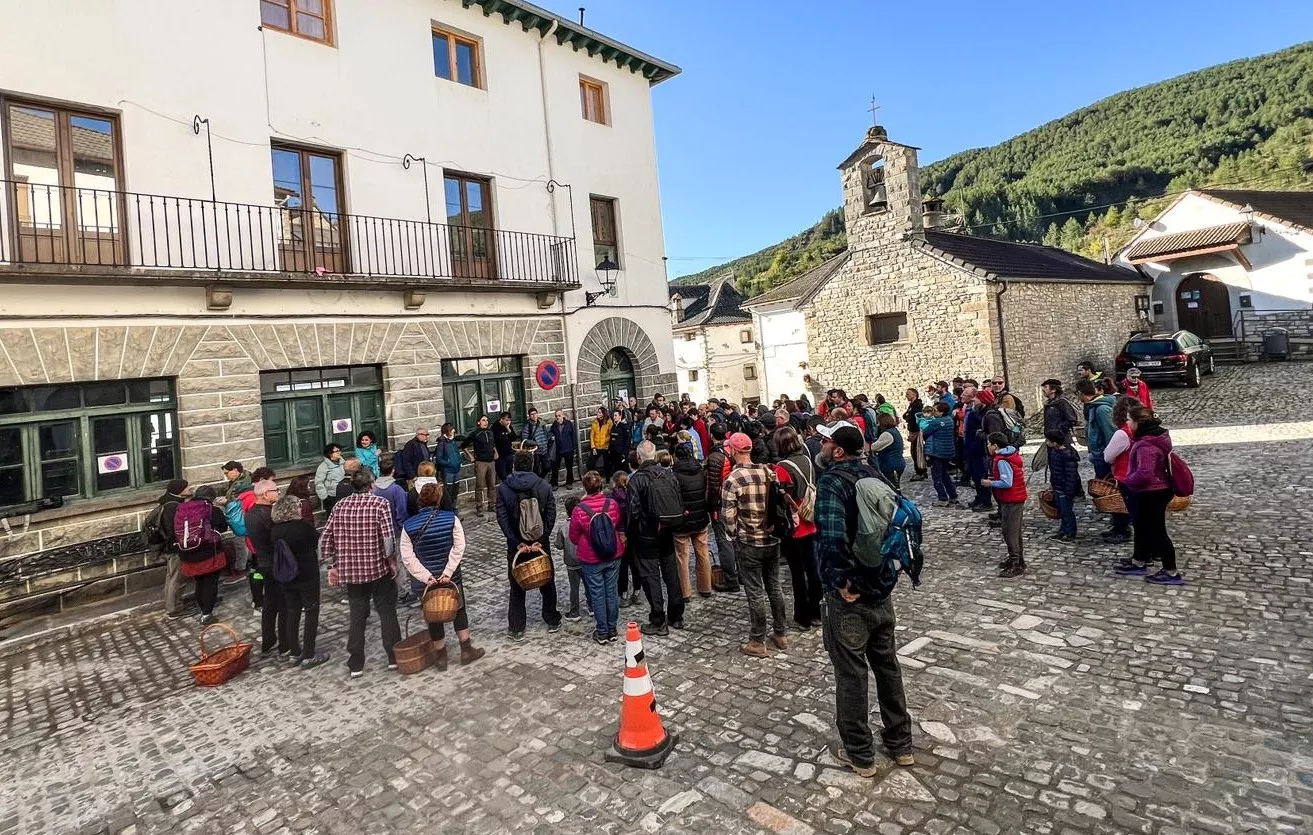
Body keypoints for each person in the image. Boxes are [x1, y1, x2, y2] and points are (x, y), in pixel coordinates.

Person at [813, 423, 915, 774]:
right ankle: (901, 743)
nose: (822, 444)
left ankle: (860, 753)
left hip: (851, 594)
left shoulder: (832, 482)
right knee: (887, 666)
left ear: (838, 450)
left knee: (851, 673)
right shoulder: (875, 474)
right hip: (880, 585)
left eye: (827, 441)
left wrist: (842, 582)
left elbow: (832, 536)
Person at [320, 468, 402, 677]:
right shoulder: (379, 504)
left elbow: (326, 538)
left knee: (357, 616)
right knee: (387, 611)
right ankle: (393, 656)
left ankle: (356, 662)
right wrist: (392, 562)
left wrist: (332, 565)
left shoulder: (340, 506)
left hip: (352, 571)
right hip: (377, 568)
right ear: (371, 484)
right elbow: (388, 539)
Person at [399, 483, 486, 668]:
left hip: (426, 582)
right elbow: (459, 546)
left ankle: (441, 657)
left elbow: (407, 557)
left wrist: (426, 577)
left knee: (432, 614)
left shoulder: (408, 526)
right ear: (438, 499)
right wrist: (448, 572)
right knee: (459, 609)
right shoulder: (451, 519)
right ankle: (466, 649)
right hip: (450, 577)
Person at [721, 432, 786, 657]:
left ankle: (758, 640)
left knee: (755, 591)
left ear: (733, 451)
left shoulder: (733, 479)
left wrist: (733, 535)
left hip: (749, 541)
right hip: (772, 538)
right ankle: (780, 633)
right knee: (774, 586)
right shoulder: (768, 472)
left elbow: (727, 516)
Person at [496, 449, 561, 639]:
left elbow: (502, 518)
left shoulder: (504, 488)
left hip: (516, 544)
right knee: (547, 580)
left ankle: (516, 626)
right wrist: (542, 538)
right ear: (532, 464)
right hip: (540, 541)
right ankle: (552, 619)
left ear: (514, 465)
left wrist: (515, 541)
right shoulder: (543, 486)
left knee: (516, 585)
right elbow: (551, 513)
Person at [1113, 408, 1183, 585]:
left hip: (1153, 492)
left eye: (1129, 420)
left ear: (1138, 423)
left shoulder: (1146, 445)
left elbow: (1145, 473)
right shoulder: (1156, 438)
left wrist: (1127, 481)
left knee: (1157, 531)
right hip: (1154, 490)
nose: (1127, 423)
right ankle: (1139, 560)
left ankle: (1171, 571)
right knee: (1142, 526)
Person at [626, 441, 685, 635]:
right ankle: (676, 615)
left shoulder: (636, 480)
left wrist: (631, 535)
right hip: (666, 529)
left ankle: (658, 619)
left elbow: (633, 512)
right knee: (671, 574)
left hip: (646, 535)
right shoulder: (668, 474)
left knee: (651, 577)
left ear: (639, 458)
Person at [269, 493, 330, 668]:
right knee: (311, 611)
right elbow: (316, 542)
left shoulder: (275, 530)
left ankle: (294, 651)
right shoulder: (302, 527)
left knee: (292, 611)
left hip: (286, 575)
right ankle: (309, 654)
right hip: (306, 574)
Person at [160, 482, 229, 625]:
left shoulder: (180, 508)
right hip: (209, 552)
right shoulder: (211, 509)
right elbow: (222, 527)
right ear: (211, 497)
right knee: (210, 583)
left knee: (199, 581)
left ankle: (202, 608)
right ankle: (207, 614)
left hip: (188, 552)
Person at [774, 426, 821, 630]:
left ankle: (803, 615)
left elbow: (781, 497)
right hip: (810, 518)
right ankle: (817, 611)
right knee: (812, 567)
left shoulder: (782, 467)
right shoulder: (807, 460)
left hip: (794, 523)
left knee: (797, 572)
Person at [570, 470, 625, 644]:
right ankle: (612, 628)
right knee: (611, 591)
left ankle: (602, 631)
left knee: (597, 593)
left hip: (591, 557)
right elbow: (616, 523)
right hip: (612, 553)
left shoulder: (579, 510)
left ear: (584, 487)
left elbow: (573, 536)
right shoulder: (612, 504)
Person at [244, 478, 288, 656]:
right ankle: (285, 644)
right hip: (275, 562)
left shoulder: (251, 513)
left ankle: (268, 640)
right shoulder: (268, 514)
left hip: (263, 561)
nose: (278, 493)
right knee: (284, 603)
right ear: (265, 494)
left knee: (270, 602)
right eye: (275, 490)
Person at [982, 431, 1028, 578]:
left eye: (989, 444)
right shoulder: (1009, 456)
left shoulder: (1002, 460)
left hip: (1011, 499)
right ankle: (1018, 559)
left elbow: (1007, 482)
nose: (987, 446)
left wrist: (991, 483)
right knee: (1015, 531)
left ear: (995, 446)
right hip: (1016, 497)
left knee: (1009, 532)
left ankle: (1016, 563)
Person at [671, 442, 712, 601]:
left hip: (683, 520)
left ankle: (685, 592)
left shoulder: (674, 475)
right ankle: (706, 586)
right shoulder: (700, 471)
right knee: (703, 553)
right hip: (700, 517)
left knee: (682, 557)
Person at [704, 423, 742, 593]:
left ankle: (731, 580)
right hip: (734, 499)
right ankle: (741, 575)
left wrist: (711, 507)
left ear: (712, 435)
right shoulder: (731, 451)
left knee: (724, 541)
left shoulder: (715, 457)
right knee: (735, 539)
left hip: (720, 503)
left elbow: (713, 486)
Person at [372, 454, 414, 604]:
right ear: (393, 471)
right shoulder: (396, 490)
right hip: (395, 531)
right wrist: (404, 527)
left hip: (378, 531)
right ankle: (402, 591)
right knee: (399, 561)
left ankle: (385, 589)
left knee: (383, 560)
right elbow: (401, 511)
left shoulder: (373, 489)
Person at [1101, 398, 1139, 545]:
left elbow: (1108, 456)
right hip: (1136, 474)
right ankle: (1119, 528)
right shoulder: (1139, 431)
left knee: (1120, 504)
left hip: (1124, 474)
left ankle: (1122, 531)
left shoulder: (1123, 433)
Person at [919, 403, 961, 507]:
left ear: (941, 412)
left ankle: (942, 498)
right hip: (947, 452)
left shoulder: (936, 422)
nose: (933, 412)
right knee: (945, 474)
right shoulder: (949, 420)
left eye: (935, 410)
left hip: (937, 452)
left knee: (937, 477)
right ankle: (953, 496)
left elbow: (926, 433)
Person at [610, 470, 642, 606]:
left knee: (622, 565)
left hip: (620, 535)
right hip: (634, 533)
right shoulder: (633, 495)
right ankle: (637, 591)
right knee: (636, 564)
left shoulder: (613, 499)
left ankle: (623, 593)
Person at [218, 461, 253, 585]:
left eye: (227, 473)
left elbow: (239, 500)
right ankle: (246, 565)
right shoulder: (238, 480)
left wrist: (226, 502)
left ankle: (241, 570)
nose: (226, 476)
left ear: (235, 470)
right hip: (242, 517)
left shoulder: (243, 483)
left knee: (240, 542)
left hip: (242, 517)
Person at [1076, 380, 1117, 480]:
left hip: (1103, 456)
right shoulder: (1093, 406)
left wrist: (1110, 456)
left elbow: (1110, 433)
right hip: (1098, 454)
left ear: (1079, 393)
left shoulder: (1101, 409)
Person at [1045, 430, 1081, 541]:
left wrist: (1069, 491)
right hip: (1058, 487)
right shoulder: (1054, 452)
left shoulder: (1066, 455)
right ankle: (1063, 530)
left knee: (1067, 512)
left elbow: (1071, 475)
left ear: (1055, 442)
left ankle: (1071, 533)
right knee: (1062, 511)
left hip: (1065, 489)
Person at [553, 496, 584, 622]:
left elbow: (559, 545)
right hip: (584, 560)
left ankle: (575, 611)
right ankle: (592, 607)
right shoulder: (583, 524)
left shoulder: (563, 528)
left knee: (574, 587)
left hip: (571, 562)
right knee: (589, 585)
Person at [460, 415, 497, 517]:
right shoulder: (475, 434)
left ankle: (492, 505)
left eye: (487, 420)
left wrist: (495, 452)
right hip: (480, 462)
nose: (486, 422)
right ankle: (479, 507)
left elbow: (493, 444)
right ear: (478, 422)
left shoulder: (490, 432)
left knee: (492, 485)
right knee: (480, 486)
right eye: (483, 420)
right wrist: (471, 456)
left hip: (491, 462)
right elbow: (464, 445)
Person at [871, 412, 906, 489]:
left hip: (890, 465)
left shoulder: (887, 434)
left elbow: (874, 447)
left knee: (893, 488)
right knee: (896, 487)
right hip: (897, 463)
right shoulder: (894, 431)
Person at [1041, 379, 1080, 445]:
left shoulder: (1062, 402)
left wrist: (1059, 430)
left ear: (1053, 390)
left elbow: (1072, 419)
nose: (1043, 389)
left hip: (1062, 440)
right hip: (1051, 440)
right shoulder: (1048, 404)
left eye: (1045, 387)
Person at [433, 424, 463, 509]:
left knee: (455, 491)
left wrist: (459, 461)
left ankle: (454, 508)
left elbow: (456, 453)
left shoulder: (452, 441)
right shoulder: (442, 443)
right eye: (452, 430)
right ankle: (448, 510)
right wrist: (450, 464)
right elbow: (439, 459)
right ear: (447, 431)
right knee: (448, 492)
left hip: (456, 470)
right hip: (448, 471)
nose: (454, 431)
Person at [902, 388, 928, 481]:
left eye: (908, 394)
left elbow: (914, 418)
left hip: (916, 432)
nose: (906, 396)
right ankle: (921, 470)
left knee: (917, 453)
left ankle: (920, 472)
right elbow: (905, 415)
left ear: (914, 395)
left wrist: (915, 433)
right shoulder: (912, 405)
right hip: (913, 431)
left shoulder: (917, 406)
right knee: (915, 452)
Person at [549, 410, 578, 487]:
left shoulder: (569, 424)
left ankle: (569, 483)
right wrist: (551, 436)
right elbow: (551, 433)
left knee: (569, 467)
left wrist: (573, 448)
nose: (557, 417)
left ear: (563, 415)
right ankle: (554, 484)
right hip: (558, 449)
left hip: (568, 449)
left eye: (559, 415)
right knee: (555, 467)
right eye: (556, 416)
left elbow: (573, 436)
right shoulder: (554, 425)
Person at [314, 444, 346, 515]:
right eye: (336, 451)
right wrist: (324, 496)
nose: (339, 452)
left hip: (343, 493)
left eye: (339, 450)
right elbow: (319, 482)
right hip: (332, 496)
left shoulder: (343, 463)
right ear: (330, 453)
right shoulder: (323, 466)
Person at [521, 408, 553, 477]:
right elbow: (524, 440)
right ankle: (537, 481)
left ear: (537, 414)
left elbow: (545, 434)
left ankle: (540, 479)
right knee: (536, 470)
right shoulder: (528, 426)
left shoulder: (542, 424)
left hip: (545, 450)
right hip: (535, 452)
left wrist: (549, 438)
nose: (534, 416)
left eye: (535, 413)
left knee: (547, 467)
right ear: (529, 416)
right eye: (532, 414)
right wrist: (535, 443)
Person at [492, 412, 517, 482]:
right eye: (506, 420)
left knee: (510, 474)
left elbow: (514, 438)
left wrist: (508, 429)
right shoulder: (495, 427)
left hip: (509, 453)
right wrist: (495, 452)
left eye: (509, 420)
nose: (508, 422)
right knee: (503, 475)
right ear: (501, 419)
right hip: (500, 455)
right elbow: (493, 441)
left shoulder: (508, 426)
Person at [588, 407, 612, 475]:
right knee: (590, 463)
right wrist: (593, 447)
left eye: (599, 412)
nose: (598, 414)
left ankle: (607, 479)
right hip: (596, 447)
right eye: (598, 412)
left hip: (605, 447)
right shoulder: (595, 422)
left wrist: (608, 445)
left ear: (603, 414)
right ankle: (595, 476)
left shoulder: (609, 422)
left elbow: (611, 434)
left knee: (607, 464)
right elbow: (592, 435)